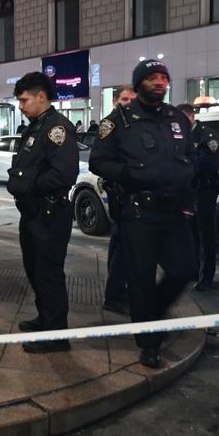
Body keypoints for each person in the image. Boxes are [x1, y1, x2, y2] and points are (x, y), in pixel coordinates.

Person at [89, 60, 198, 369]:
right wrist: (132, 174)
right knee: (141, 280)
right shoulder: (119, 121)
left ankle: (154, 316)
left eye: (164, 77)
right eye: (152, 78)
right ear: (138, 85)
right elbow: (99, 161)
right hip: (139, 211)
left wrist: (188, 171)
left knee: (184, 269)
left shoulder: (176, 118)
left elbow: (191, 155)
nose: (160, 82)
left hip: (174, 210)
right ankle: (148, 342)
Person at [7, 72, 79, 353]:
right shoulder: (37, 126)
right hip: (33, 213)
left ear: (41, 97)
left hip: (49, 213)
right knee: (34, 270)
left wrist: (30, 186)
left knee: (49, 274)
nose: (21, 106)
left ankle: (56, 335)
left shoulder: (57, 128)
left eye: (24, 100)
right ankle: (45, 318)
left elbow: (64, 173)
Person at [177, 103, 219, 291]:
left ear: (191, 117)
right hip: (189, 191)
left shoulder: (207, 136)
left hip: (205, 191)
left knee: (206, 236)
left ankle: (207, 276)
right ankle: (195, 270)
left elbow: (210, 164)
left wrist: (184, 166)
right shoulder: (184, 136)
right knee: (191, 234)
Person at [102, 84, 137, 314]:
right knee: (124, 248)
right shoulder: (112, 124)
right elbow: (101, 160)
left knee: (119, 245)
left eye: (132, 99)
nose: (128, 103)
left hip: (130, 195)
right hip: (121, 195)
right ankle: (114, 295)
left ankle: (116, 291)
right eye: (124, 99)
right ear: (116, 101)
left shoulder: (133, 123)